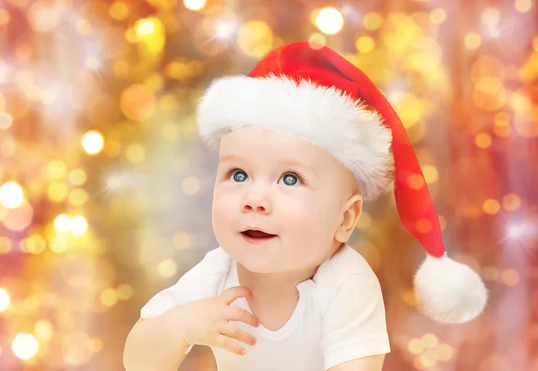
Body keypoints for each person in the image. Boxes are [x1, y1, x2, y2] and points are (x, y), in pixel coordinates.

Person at [122, 41, 488, 371]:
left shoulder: (347, 284)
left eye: (290, 179)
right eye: (238, 174)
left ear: (345, 219)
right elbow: (137, 362)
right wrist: (179, 327)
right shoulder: (217, 272)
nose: (254, 200)